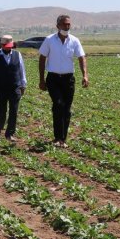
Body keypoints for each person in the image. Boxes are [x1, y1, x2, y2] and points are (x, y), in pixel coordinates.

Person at [38, 15, 89, 148]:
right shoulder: (49, 40)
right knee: (58, 104)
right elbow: (42, 58)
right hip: (53, 78)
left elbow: (81, 58)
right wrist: (41, 79)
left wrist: (85, 75)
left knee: (66, 109)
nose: (67, 27)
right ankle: (57, 137)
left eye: (68, 24)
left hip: (68, 79)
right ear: (58, 26)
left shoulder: (74, 40)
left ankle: (63, 139)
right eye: (64, 24)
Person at [0, 35, 27, 142]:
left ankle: (10, 133)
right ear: (2, 45)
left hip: (15, 87)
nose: (9, 48)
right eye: (7, 46)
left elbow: (22, 70)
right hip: (1, 88)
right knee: (1, 110)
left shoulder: (17, 55)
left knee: (14, 110)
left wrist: (23, 84)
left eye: (10, 46)